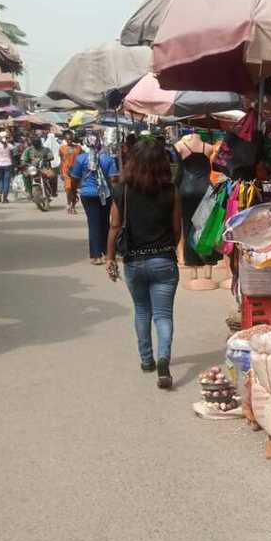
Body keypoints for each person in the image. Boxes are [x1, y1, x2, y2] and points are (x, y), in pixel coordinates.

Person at [105, 140, 182, 390]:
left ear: (132, 161)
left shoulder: (122, 190)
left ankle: (147, 360)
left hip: (134, 261)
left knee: (141, 311)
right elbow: (177, 230)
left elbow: (115, 227)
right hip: (164, 260)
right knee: (163, 315)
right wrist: (167, 249)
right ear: (162, 163)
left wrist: (109, 258)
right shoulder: (171, 191)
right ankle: (163, 359)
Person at [69, 133, 118, 264]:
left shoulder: (81, 159)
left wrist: (73, 194)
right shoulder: (108, 159)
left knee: (93, 224)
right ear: (99, 143)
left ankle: (96, 256)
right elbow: (113, 179)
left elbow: (74, 178)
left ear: (86, 143)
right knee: (105, 223)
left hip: (87, 194)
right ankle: (108, 252)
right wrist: (116, 197)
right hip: (105, 195)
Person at [59, 131, 81, 213]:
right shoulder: (62, 148)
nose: (69, 141)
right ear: (65, 139)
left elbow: (81, 159)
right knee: (68, 188)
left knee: (74, 190)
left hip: (76, 171)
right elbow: (62, 160)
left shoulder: (78, 148)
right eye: (68, 139)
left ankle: (73, 206)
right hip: (66, 171)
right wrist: (61, 172)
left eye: (71, 139)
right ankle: (69, 204)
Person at [0, 131, 12, 203]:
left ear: (0, 137)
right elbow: (12, 155)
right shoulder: (10, 146)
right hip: (8, 164)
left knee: (0, 180)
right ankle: (5, 198)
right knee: (6, 181)